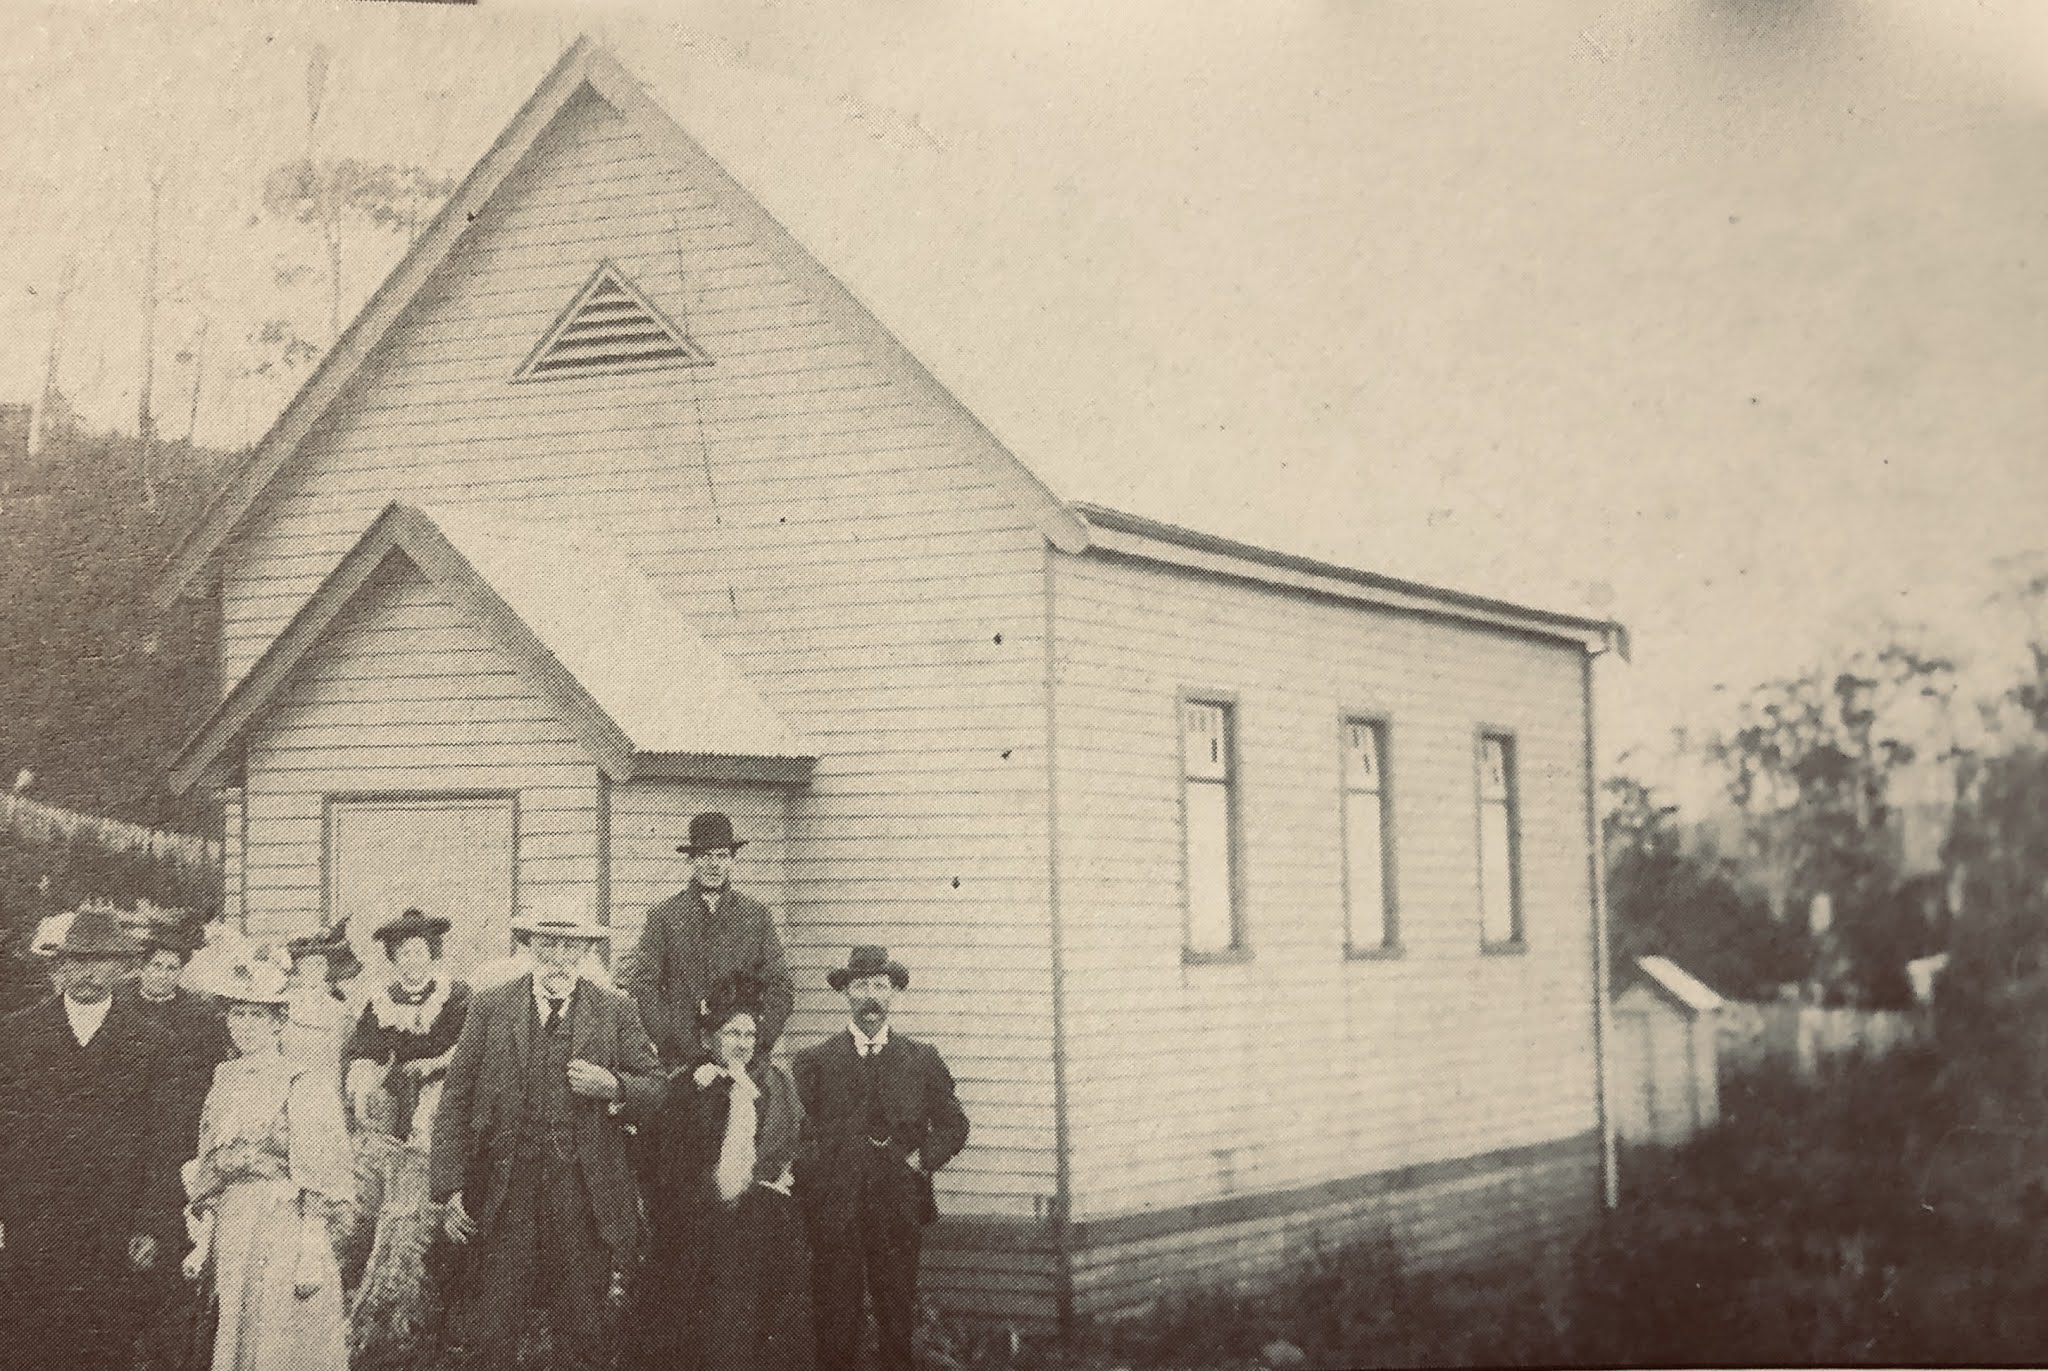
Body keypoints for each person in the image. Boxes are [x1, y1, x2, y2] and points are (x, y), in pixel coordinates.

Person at [431, 913, 664, 1371]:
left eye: (569, 947)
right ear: (530, 946)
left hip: (583, 1193)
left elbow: (657, 1087)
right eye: (548, 946)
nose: (559, 958)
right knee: (492, 1325)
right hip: (505, 1191)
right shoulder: (492, 1005)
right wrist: (450, 1187)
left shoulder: (614, 1008)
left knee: (583, 1325)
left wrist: (614, 1085)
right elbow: (455, 1098)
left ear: (586, 952)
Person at [0, 904, 185, 1371]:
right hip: (33, 1219)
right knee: (29, 1340)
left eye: (100, 960)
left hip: (114, 1221)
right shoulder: (16, 1034)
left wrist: (151, 1222)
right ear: (61, 966)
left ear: (121, 967)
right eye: (78, 960)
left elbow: (165, 1143)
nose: (88, 972)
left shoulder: (154, 1043)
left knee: (105, 1341)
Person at [793, 946, 970, 1371]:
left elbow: (954, 1125)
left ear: (892, 993)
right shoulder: (816, 1061)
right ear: (846, 993)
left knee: (896, 1318)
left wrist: (920, 1161)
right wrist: (820, 1187)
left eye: (879, 986)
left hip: (897, 1209)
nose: (870, 996)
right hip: (837, 1211)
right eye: (860, 986)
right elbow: (800, 1136)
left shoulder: (921, 1059)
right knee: (836, 1318)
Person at [625, 973, 812, 1371]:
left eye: (749, 1034)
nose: (742, 1043)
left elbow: (793, 1147)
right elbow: (655, 1162)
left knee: (746, 1325)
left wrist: (771, 1182)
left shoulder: (774, 1085)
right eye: (732, 1033)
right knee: (690, 1326)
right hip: (694, 1228)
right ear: (709, 1039)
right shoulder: (684, 1088)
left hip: (756, 1228)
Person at [179, 949, 355, 1371]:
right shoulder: (225, 1077)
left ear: (278, 1022)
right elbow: (211, 1161)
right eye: (237, 1014)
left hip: (284, 1218)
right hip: (234, 1219)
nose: (244, 1025)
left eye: (256, 1016)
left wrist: (312, 1244)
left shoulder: (303, 1080)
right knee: (234, 1323)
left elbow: (321, 1168)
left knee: (278, 1327)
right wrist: (204, 1235)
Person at [344, 908, 472, 1360]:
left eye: (419, 952)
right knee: (375, 1204)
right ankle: (375, 1313)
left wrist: (435, 1065)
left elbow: (471, 1047)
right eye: (403, 954)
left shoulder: (456, 995)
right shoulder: (380, 1000)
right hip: (396, 1107)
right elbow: (363, 1051)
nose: (412, 961)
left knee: (426, 1205)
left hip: (445, 1104)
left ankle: (423, 1317)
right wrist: (364, 1081)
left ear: (431, 953)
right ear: (394, 958)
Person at [629, 811, 795, 1072]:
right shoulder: (664, 916)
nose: (714, 864)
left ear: (731, 860)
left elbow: (780, 985)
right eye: (706, 856)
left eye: (722, 856)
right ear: (691, 860)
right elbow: (643, 986)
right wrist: (673, 1042)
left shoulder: (756, 915)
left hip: (744, 1059)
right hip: (684, 1061)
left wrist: (758, 1039)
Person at [283, 920, 365, 1090]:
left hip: (328, 1088)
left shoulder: (341, 1012)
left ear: (327, 969)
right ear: (298, 969)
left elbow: (348, 1058)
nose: (313, 972)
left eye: (319, 965)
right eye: (307, 965)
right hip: (290, 1087)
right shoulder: (285, 1007)